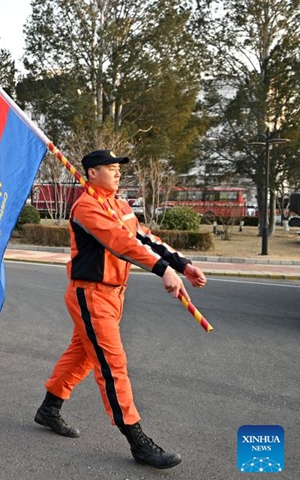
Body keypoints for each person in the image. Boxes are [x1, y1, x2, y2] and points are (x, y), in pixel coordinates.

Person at [35, 150, 207, 469]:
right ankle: (138, 441)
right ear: (91, 173)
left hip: (115, 293)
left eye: (118, 169)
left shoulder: (121, 205)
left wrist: (182, 264)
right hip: (91, 295)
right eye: (110, 168)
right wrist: (161, 270)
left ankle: (49, 408)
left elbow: (143, 238)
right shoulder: (86, 207)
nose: (117, 173)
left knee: (83, 354)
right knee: (112, 364)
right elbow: (119, 242)